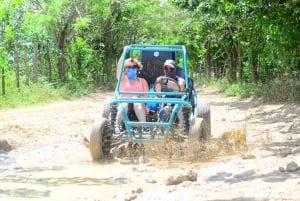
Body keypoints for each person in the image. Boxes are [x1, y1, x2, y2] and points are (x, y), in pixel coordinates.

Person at [155, 59, 190, 135]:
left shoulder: (181, 80)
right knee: (164, 110)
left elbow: (179, 89)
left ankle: (184, 132)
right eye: (166, 68)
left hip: (179, 102)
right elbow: (157, 94)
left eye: (171, 68)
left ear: (175, 69)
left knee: (181, 110)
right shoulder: (161, 79)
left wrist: (166, 81)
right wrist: (158, 84)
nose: (168, 70)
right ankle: (162, 131)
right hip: (167, 103)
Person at [115, 55, 149, 132]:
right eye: (128, 67)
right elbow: (118, 68)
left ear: (137, 68)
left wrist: (136, 98)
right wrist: (124, 53)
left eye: (134, 66)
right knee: (125, 104)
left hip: (139, 103)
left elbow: (147, 96)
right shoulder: (122, 79)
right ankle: (117, 126)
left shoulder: (143, 81)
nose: (131, 68)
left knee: (137, 102)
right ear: (124, 69)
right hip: (124, 102)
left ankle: (144, 126)